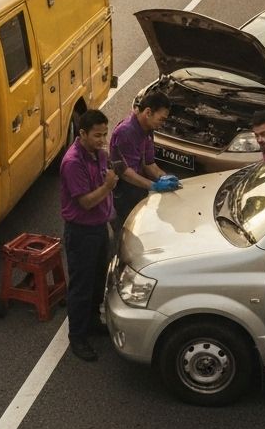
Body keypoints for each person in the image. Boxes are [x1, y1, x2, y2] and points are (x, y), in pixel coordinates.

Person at [59, 108, 118, 362]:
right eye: (97, 135)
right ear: (82, 133)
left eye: (104, 134)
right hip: (81, 232)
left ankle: (93, 321)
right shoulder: (73, 162)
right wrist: (108, 187)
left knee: (98, 281)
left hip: (98, 228)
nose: (102, 140)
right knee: (81, 286)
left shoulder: (99, 154)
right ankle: (78, 336)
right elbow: (85, 202)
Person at [109, 90, 180, 225]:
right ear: (148, 113)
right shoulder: (126, 132)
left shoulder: (147, 129)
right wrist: (154, 185)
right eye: (161, 119)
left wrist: (163, 176)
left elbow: (149, 164)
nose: (162, 124)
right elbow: (125, 173)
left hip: (138, 188)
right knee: (125, 233)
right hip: (124, 192)